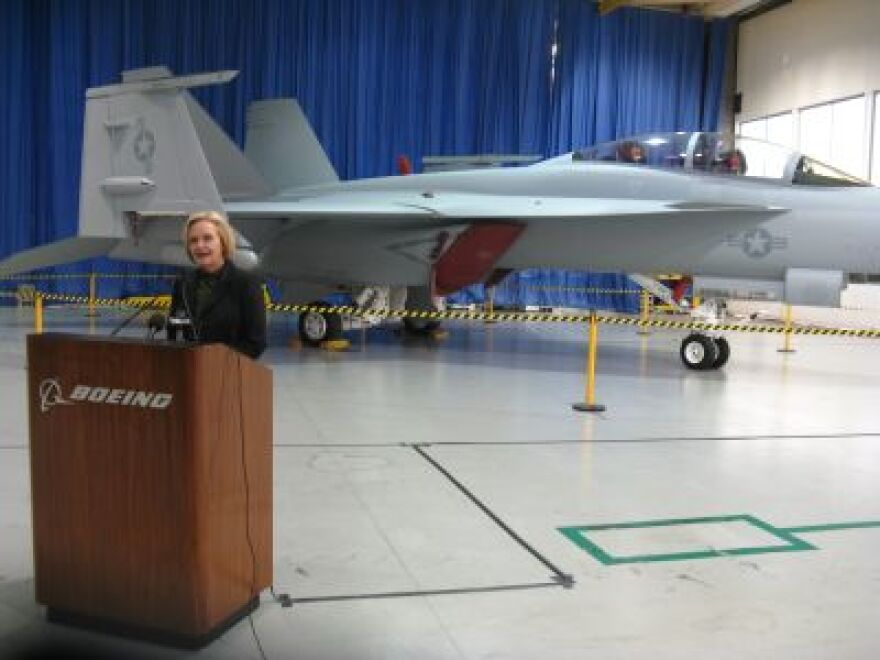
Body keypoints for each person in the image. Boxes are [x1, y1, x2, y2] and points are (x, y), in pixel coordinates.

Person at [167, 210, 267, 359]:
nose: (200, 246)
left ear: (222, 241)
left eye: (207, 238)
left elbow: (256, 343)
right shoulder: (183, 283)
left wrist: (214, 361)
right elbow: (175, 330)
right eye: (193, 240)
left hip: (228, 375)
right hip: (188, 372)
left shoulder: (246, 283)